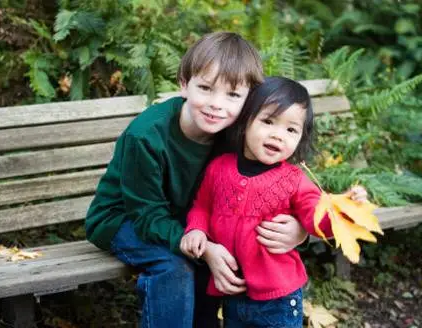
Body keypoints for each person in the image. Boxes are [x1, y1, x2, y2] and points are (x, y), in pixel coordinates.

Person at [85, 33, 308, 328]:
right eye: (205, 88)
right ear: (183, 84)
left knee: (214, 264)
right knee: (175, 266)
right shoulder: (147, 136)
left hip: (190, 223)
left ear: (249, 100)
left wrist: (301, 230)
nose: (216, 105)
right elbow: (147, 216)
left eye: (232, 95)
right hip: (124, 218)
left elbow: (284, 188)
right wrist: (205, 248)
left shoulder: (237, 136)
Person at [180, 77, 369, 327]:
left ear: (300, 138)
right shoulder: (219, 168)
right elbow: (202, 205)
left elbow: (317, 220)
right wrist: (196, 229)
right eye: (268, 121)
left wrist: (346, 209)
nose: (278, 135)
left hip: (278, 299)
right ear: (246, 121)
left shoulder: (294, 180)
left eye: (291, 130)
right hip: (233, 293)